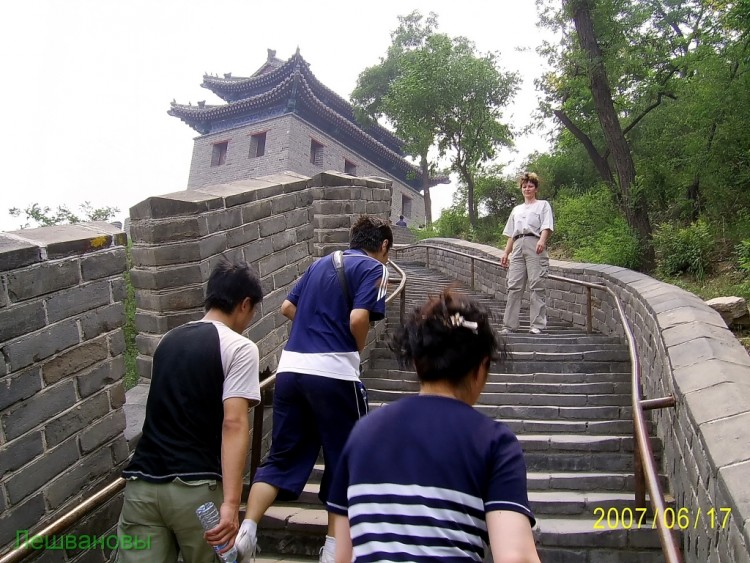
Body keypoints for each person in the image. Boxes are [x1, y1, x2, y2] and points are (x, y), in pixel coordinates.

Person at [327, 290, 540, 562]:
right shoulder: (494, 442)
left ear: (416, 361)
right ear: (482, 367)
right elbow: (516, 556)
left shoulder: (362, 434)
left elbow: (344, 555)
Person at [236, 215, 392, 563]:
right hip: (335, 374)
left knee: (281, 456)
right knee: (344, 461)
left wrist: (316, 327)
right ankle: (333, 550)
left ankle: (247, 530)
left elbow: (287, 307)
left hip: (291, 370)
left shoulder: (321, 263)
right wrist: (354, 346)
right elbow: (357, 319)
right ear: (383, 247)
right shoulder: (375, 269)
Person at [115, 259, 263, 563]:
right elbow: (234, 424)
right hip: (196, 492)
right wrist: (232, 504)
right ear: (245, 304)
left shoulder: (168, 341)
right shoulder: (239, 347)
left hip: (142, 486)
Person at [500, 172, 554, 335]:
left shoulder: (543, 205)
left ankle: (537, 324)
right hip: (517, 245)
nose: (527, 189)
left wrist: (542, 240)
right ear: (521, 189)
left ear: (535, 188)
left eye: (530, 186)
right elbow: (511, 234)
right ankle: (509, 325)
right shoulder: (517, 209)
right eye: (524, 186)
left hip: (534, 242)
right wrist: (506, 253)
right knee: (514, 285)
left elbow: (547, 225)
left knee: (537, 284)